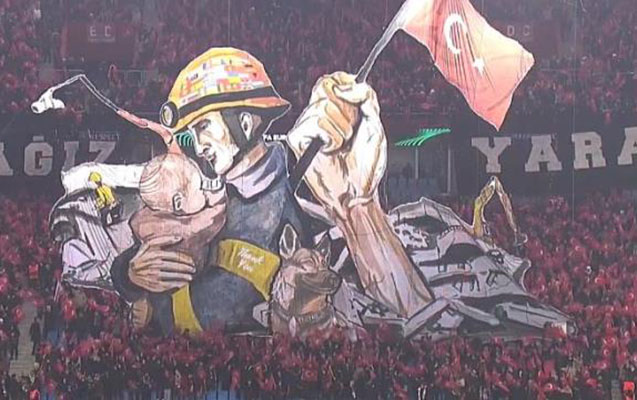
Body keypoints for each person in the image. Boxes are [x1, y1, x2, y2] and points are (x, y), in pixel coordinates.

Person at [109, 47, 432, 335]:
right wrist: (130, 275)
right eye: (192, 132)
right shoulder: (203, 194)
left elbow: (399, 305)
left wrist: (358, 209)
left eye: (203, 126)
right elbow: (145, 253)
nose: (198, 144)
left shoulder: (308, 187)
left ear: (245, 122)